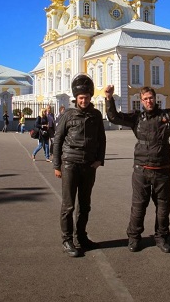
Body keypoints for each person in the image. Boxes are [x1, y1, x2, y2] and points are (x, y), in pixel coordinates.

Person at [105, 85, 170, 253]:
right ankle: (134, 237)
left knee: (163, 207)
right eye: (145, 99)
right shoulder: (137, 117)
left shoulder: (167, 115)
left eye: (151, 98)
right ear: (141, 101)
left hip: (162, 169)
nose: (148, 101)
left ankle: (162, 237)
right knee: (138, 206)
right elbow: (114, 117)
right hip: (141, 170)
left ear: (155, 98)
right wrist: (109, 98)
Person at [53, 74, 106, 257]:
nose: (84, 100)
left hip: (89, 165)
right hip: (70, 164)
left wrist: (100, 160)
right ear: (76, 98)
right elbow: (58, 139)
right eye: (81, 97)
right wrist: (57, 165)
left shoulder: (96, 115)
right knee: (68, 205)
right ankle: (67, 240)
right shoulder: (68, 115)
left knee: (85, 205)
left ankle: (81, 237)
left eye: (87, 97)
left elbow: (101, 138)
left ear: (90, 97)